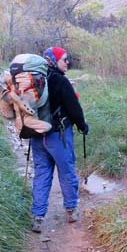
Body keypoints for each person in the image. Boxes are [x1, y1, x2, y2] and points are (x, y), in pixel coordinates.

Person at [30, 46, 89, 233]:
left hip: (37, 137)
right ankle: (71, 210)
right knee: (67, 172)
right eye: (64, 59)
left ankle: (38, 217)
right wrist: (82, 126)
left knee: (41, 174)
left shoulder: (34, 80)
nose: (67, 62)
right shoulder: (60, 81)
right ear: (54, 61)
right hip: (59, 136)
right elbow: (74, 108)